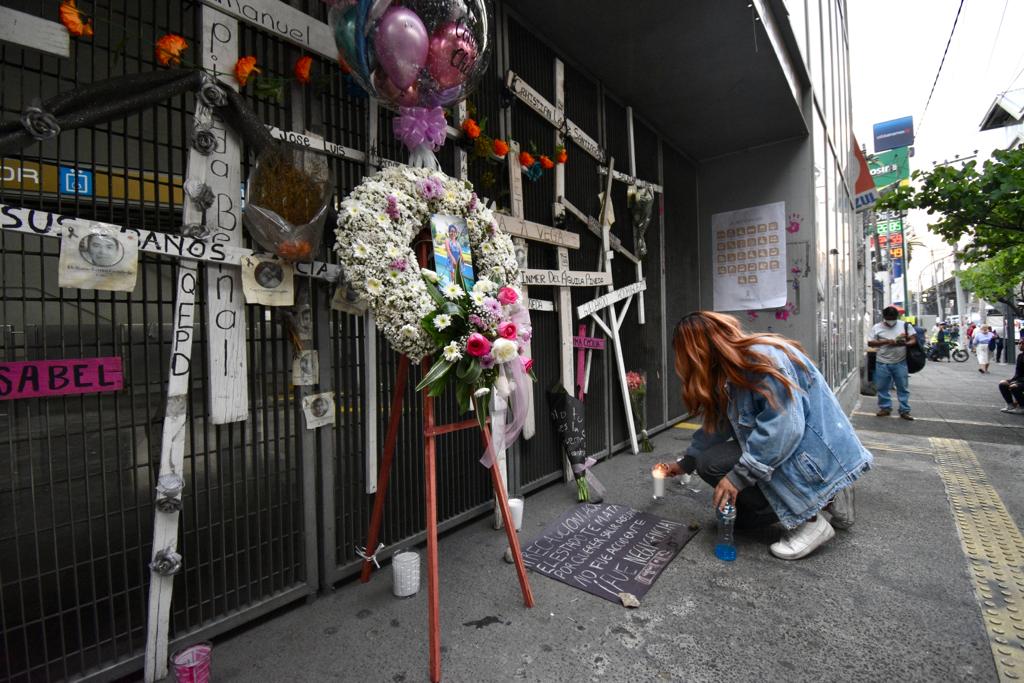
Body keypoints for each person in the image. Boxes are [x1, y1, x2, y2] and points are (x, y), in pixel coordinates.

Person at [654, 311, 872, 561]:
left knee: (719, 464)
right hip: (800, 454)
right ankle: (829, 496)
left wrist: (737, 478)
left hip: (811, 456)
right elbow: (718, 424)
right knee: (719, 480)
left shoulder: (763, 359)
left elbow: (784, 430)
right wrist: (685, 464)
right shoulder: (731, 369)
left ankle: (810, 520)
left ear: (698, 350)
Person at [868, 306, 917, 420]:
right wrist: (885, 341)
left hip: (900, 361)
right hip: (882, 362)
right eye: (889, 318)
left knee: (903, 387)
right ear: (884, 317)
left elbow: (913, 339)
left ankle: (904, 410)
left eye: (893, 318)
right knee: (882, 387)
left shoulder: (905, 325)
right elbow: (870, 342)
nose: (891, 320)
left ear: (897, 317)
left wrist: (904, 343)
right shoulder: (877, 327)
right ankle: (885, 408)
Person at [1000, 338, 1024, 414]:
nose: (1020, 345)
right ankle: (1010, 405)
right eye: (1019, 343)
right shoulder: (1020, 356)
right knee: (1003, 383)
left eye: (1022, 344)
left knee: (1014, 386)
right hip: (1020, 379)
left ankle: (1022, 406)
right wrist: (1012, 380)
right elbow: (1018, 372)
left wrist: (1016, 383)